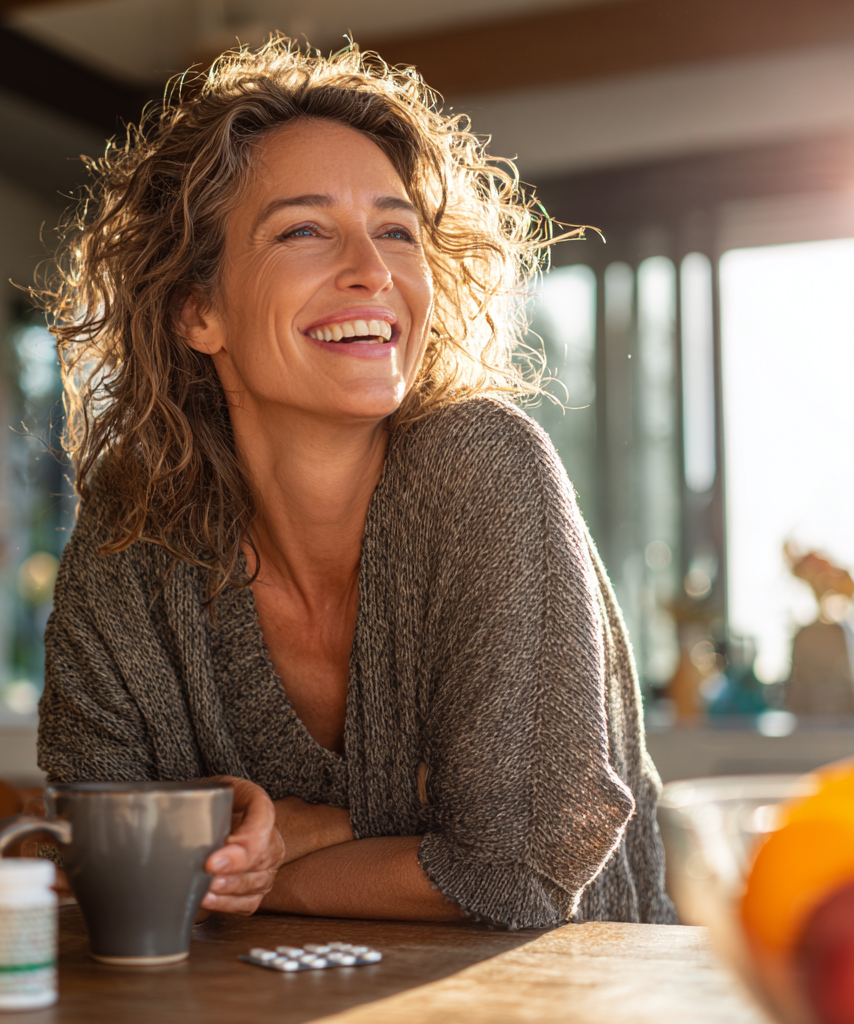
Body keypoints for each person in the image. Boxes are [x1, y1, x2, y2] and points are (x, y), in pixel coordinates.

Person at [38, 39, 675, 929]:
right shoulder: (133, 524)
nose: (372, 270)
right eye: (303, 229)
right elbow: (97, 836)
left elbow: (517, 872)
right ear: (197, 308)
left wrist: (257, 874)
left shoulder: (486, 469)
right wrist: (266, 821)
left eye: (396, 231)